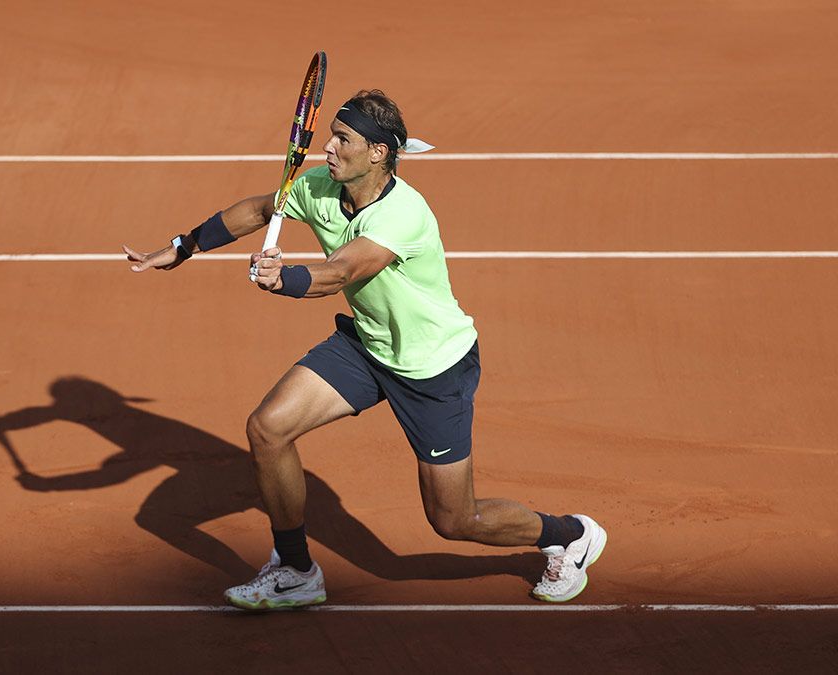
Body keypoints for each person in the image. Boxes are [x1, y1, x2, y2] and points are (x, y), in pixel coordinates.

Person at [122, 90, 606, 608]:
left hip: (432, 367)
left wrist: (282, 279)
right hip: (368, 345)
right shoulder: (319, 186)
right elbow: (262, 209)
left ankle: (569, 534)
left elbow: (341, 272)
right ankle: (294, 569)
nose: (327, 147)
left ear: (378, 152)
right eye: (330, 134)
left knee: (454, 519)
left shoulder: (404, 213)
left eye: (342, 138)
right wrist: (183, 246)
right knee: (269, 428)